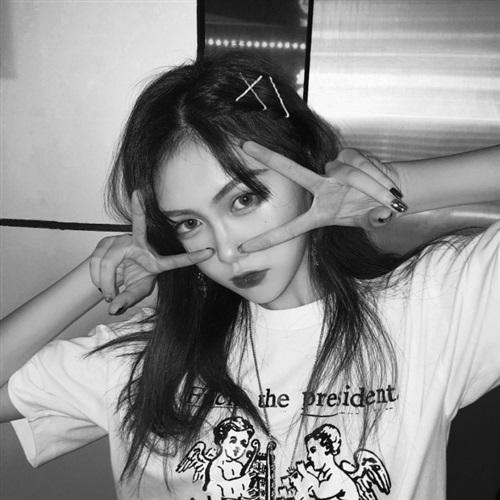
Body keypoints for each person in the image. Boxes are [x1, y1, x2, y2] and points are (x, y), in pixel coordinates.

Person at [0, 52, 499, 500]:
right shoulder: (147, 360)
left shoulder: (427, 310)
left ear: (307, 171)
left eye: (244, 199)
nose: (227, 250)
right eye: (189, 223)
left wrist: (396, 186)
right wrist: (94, 278)